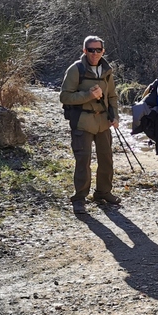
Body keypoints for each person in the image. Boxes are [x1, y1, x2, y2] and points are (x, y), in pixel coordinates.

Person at [60, 35, 120, 215]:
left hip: (103, 123)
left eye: (98, 50)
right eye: (91, 50)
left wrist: (115, 116)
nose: (95, 53)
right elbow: (64, 96)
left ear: (103, 51)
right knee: (83, 160)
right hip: (82, 122)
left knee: (106, 158)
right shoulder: (75, 70)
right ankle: (79, 198)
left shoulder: (107, 70)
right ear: (84, 51)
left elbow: (112, 96)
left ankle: (103, 192)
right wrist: (88, 95)